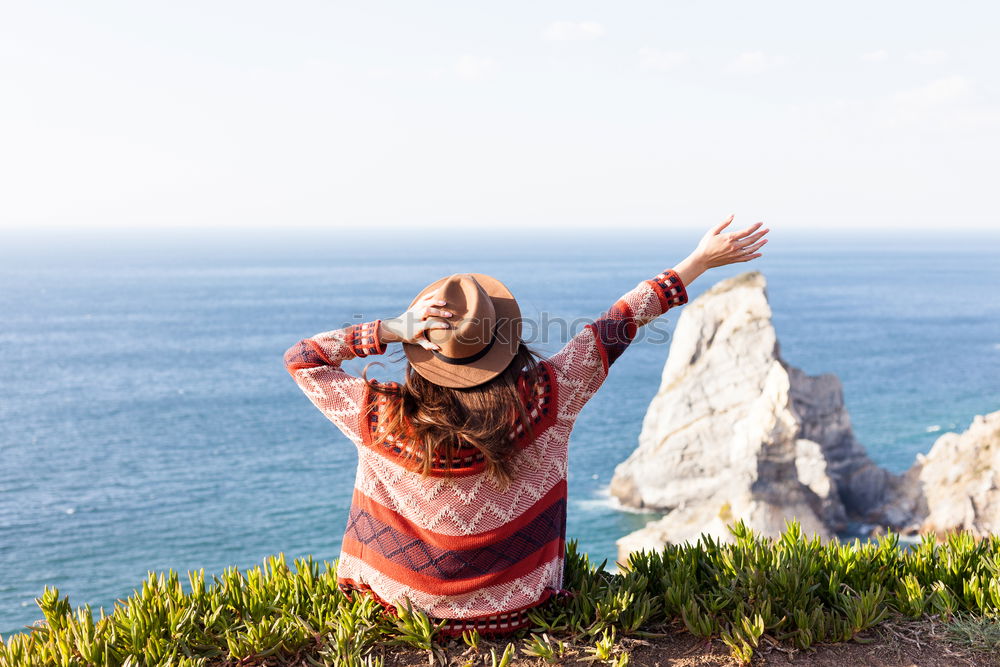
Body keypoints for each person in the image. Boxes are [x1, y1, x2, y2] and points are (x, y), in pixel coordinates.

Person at [284, 215, 769, 637]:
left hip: (400, 605)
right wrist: (699, 261)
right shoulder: (549, 397)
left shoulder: (381, 416)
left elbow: (302, 359)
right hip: (518, 607)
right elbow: (617, 323)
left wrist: (392, 328)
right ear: (506, 343)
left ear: (421, 352)